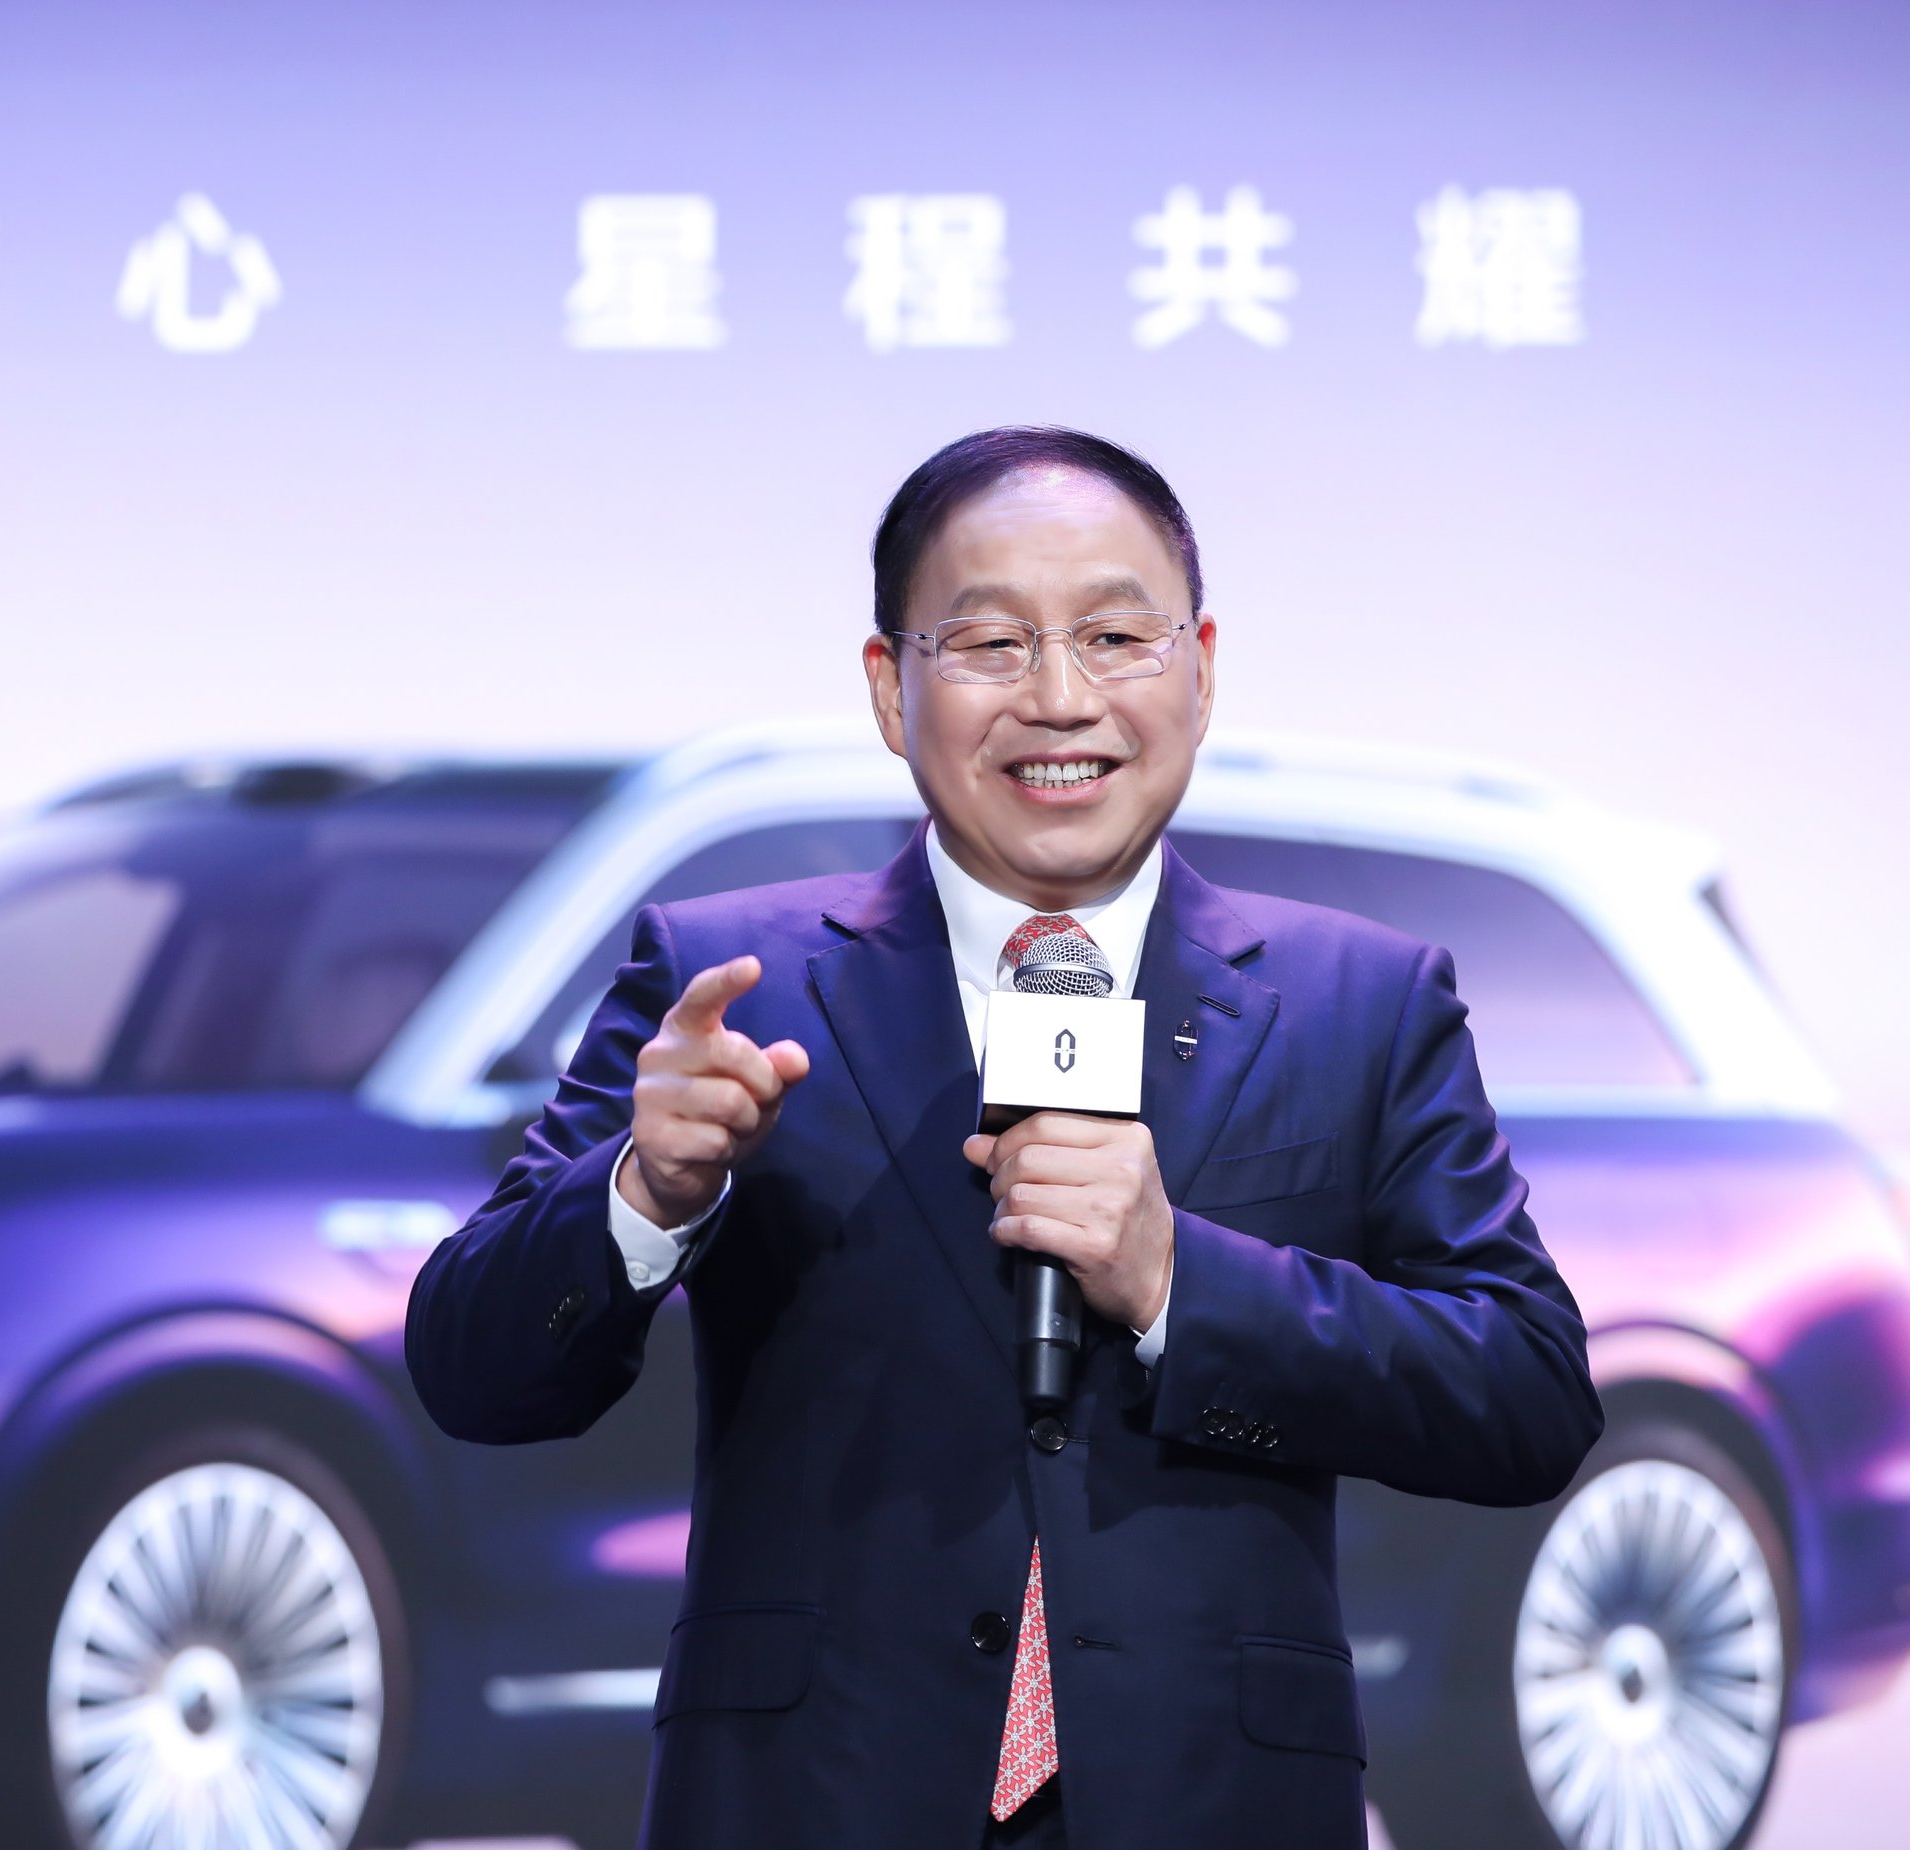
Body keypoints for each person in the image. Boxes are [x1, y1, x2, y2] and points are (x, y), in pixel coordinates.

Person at [404, 427, 1603, 1849]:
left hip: (1216, 1807)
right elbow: (473, 1370)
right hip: (813, 1803)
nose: (1059, 697)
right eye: (989, 643)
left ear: (1202, 666)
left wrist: (1178, 1284)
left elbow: (1528, 1394)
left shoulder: (1362, 1003)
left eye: (1115, 636)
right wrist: (643, 1193)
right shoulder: (729, 983)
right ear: (888, 684)